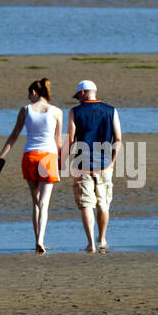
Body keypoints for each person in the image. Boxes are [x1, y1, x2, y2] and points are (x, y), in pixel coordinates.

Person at [0, 78, 64, 254]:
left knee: (35, 202)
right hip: (48, 157)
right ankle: (41, 240)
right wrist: (62, 161)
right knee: (44, 203)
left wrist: (0, 157)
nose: (28, 97)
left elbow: (14, 136)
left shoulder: (25, 110)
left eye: (29, 94)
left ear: (34, 92)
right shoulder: (56, 111)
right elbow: (58, 141)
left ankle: (36, 240)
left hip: (30, 156)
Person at [66, 78, 121, 253]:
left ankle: (90, 243)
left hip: (82, 164)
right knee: (104, 204)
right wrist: (112, 160)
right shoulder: (111, 110)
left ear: (83, 93)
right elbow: (118, 138)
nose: (78, 99)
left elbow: (70, 139)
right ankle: (102, 239)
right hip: (104, 164)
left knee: (86, 204)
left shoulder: (75, 111)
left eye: (78, 95)